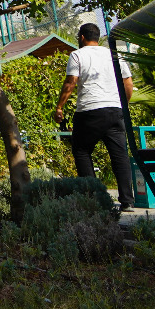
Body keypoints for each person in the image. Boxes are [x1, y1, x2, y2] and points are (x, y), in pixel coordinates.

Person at [53, 21, 136, 211]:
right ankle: (127, 201)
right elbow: (128, 83)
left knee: (82, 151)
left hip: (89, 111)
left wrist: (59, 107)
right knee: (120, 155)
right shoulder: (114, 54)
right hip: (115, 111)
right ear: (98, 38)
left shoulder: (77, 55)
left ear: (82, 38)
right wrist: (123, 104)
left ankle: (94, 197)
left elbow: (71, 82)